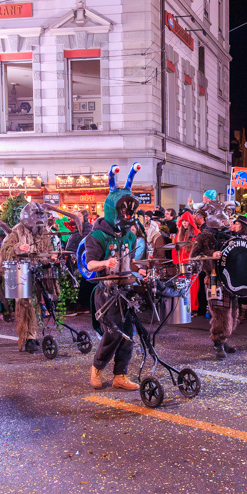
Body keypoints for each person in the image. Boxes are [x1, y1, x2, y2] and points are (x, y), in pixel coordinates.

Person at [85, 164, 143, 391]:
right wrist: (104, 263)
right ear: (112, 210)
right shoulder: (96, 236)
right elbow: (89, 264)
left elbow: (132, 261)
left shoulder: (129, 235)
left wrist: (140, 270)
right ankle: (96, 368)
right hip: (106, 293)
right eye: (123, 211)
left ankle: (121, 375)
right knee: (112, 333)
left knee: (128, 333)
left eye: (130, 212)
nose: (127, 216)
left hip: (126, 292)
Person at [0, 202, 59, 353]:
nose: (39, 218)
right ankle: (28, 338)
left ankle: (33, 334)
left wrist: (52, 257)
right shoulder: (16, 232)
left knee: (37, 304)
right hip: (21, 272)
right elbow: (4, 251)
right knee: (25, 306)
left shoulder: (45, 232)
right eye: (36, 215)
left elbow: (49, 250)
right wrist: (18, 248)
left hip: (39, 271)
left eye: (41, 215)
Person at [190, 199, 244, 358]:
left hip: (230, 279)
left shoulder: (229, 235)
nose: (225, 218)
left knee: (233, 311)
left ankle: (223, 340)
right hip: (214, 279)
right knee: (221, 313)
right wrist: (210, 257)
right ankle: (218, 343)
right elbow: (194, 256)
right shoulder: (204, 236)